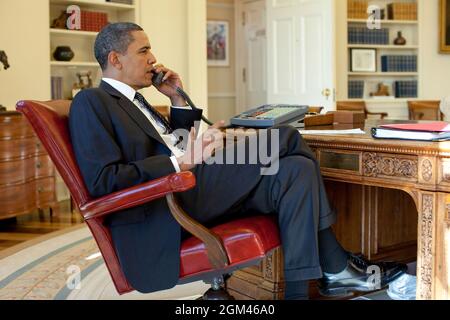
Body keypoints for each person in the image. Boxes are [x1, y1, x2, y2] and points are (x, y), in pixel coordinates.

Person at [69, 22, 406, 299]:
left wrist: (178, 99)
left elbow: (172, 146)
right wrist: (184, 162)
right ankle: (336, 264)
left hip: (190, 183)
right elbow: (105, 179)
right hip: (167, 204)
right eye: (143, 51)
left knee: (295, 169)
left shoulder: (136, 101)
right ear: (115, 58)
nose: (154, 58)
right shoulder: (92, 101)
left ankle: (306, 290)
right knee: (288, 138)